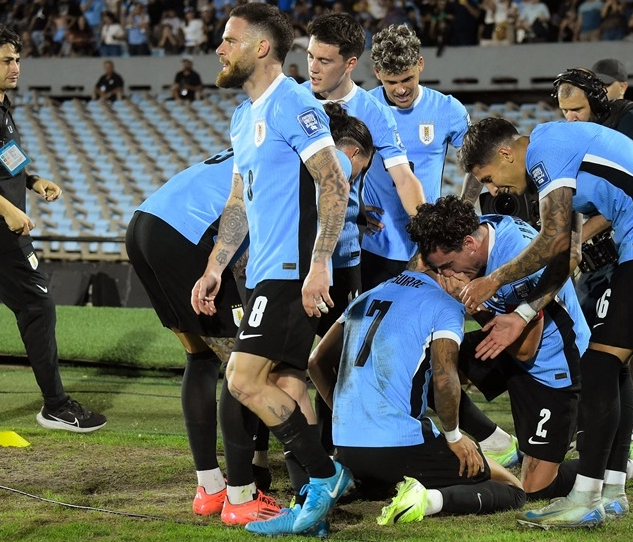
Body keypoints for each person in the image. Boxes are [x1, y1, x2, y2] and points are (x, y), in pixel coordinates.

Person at [126, 101, 375, 525]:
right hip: (193, 235)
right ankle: (243, 496)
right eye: (361, 170)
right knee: (245, 370)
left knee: (201, 358)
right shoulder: (305, 160)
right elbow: (248, 225)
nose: (356, 180)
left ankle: (210, 488)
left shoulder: (268, 139)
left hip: (147, 224)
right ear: (348, 152)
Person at [456, 117, 633, 528]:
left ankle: (586, 497)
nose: (491, 190)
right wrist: (521, 311)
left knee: (600, 365)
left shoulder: (544, 153)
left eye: (488, 178)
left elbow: (553, 240)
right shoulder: (556, 154)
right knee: (611, 365)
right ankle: (612, 489)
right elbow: (567, 252)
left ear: (505, 154)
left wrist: (494, 279)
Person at [190, 4, 353, 536]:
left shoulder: (293, 103)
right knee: (288, 382)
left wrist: (319, 264)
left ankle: (326, 476)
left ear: (261, 48)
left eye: (229, 40)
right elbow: (239, 201)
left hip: (291, 271)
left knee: (241, 380)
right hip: (261, 270)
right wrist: (216, 265)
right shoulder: (243, 115)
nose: (219, 49)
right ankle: (313, 502)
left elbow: (334, 181)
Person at [307, 253, 526, 525]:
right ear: (448, 270)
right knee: (513, 488)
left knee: (383, 481)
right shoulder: (442, 303)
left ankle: (358, 482)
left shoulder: (368, 295)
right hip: (400, 446)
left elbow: (316, 362)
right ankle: (427, 500)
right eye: (470, 274)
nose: (473, 284)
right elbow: (444, 380)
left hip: (346, 444)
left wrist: (343, 410)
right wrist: (454, 437)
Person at [405, 195, 592, 505]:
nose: (446, 276)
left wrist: (471, 303)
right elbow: (425, 268)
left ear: (469, 244)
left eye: (449, 267)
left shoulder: (515, 255)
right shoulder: (483, 231)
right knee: (424, 371)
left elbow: (525, 349)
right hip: (503, 341)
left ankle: (617, 466)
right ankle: (498, 443)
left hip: (551, 360)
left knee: (535, 489)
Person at [300, 10, 425, 458]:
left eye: (324, 59)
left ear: (351, 63)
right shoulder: (290, 100)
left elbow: (403, 176)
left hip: (344, 258)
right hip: (291, 256)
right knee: (284, 361)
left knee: (339, 360)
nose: (312, 68)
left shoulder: (372, 110)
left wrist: (427, 231)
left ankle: (336, 452)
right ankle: (266, 461)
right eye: (310, 56)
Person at [0, 22, 107, 434]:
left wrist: (33, 181)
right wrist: (10, 212)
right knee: (38, 307)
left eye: (17, 59)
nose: (15, 67)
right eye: (5, 60)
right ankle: (56, 406)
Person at [559, 61, 633, 447]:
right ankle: (602, 416)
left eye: (606, 87)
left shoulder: (631, 121)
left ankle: (626, 421)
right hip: (605, 240)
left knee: (618, 332)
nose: (572, 116)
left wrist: (575, 240)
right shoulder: (593, 128)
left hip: (632, 239)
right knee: (599, 329)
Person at [362, 23, 476, 291]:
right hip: (375, 244)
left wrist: (463, 207)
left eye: (407, 79)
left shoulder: (447, 109)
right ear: (377, 73)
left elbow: (478, 161)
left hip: (431, 248)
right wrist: (353, 208)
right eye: (391, 82)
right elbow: (337, 165)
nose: (401, 89)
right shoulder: (364, 109)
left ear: (420, 65)